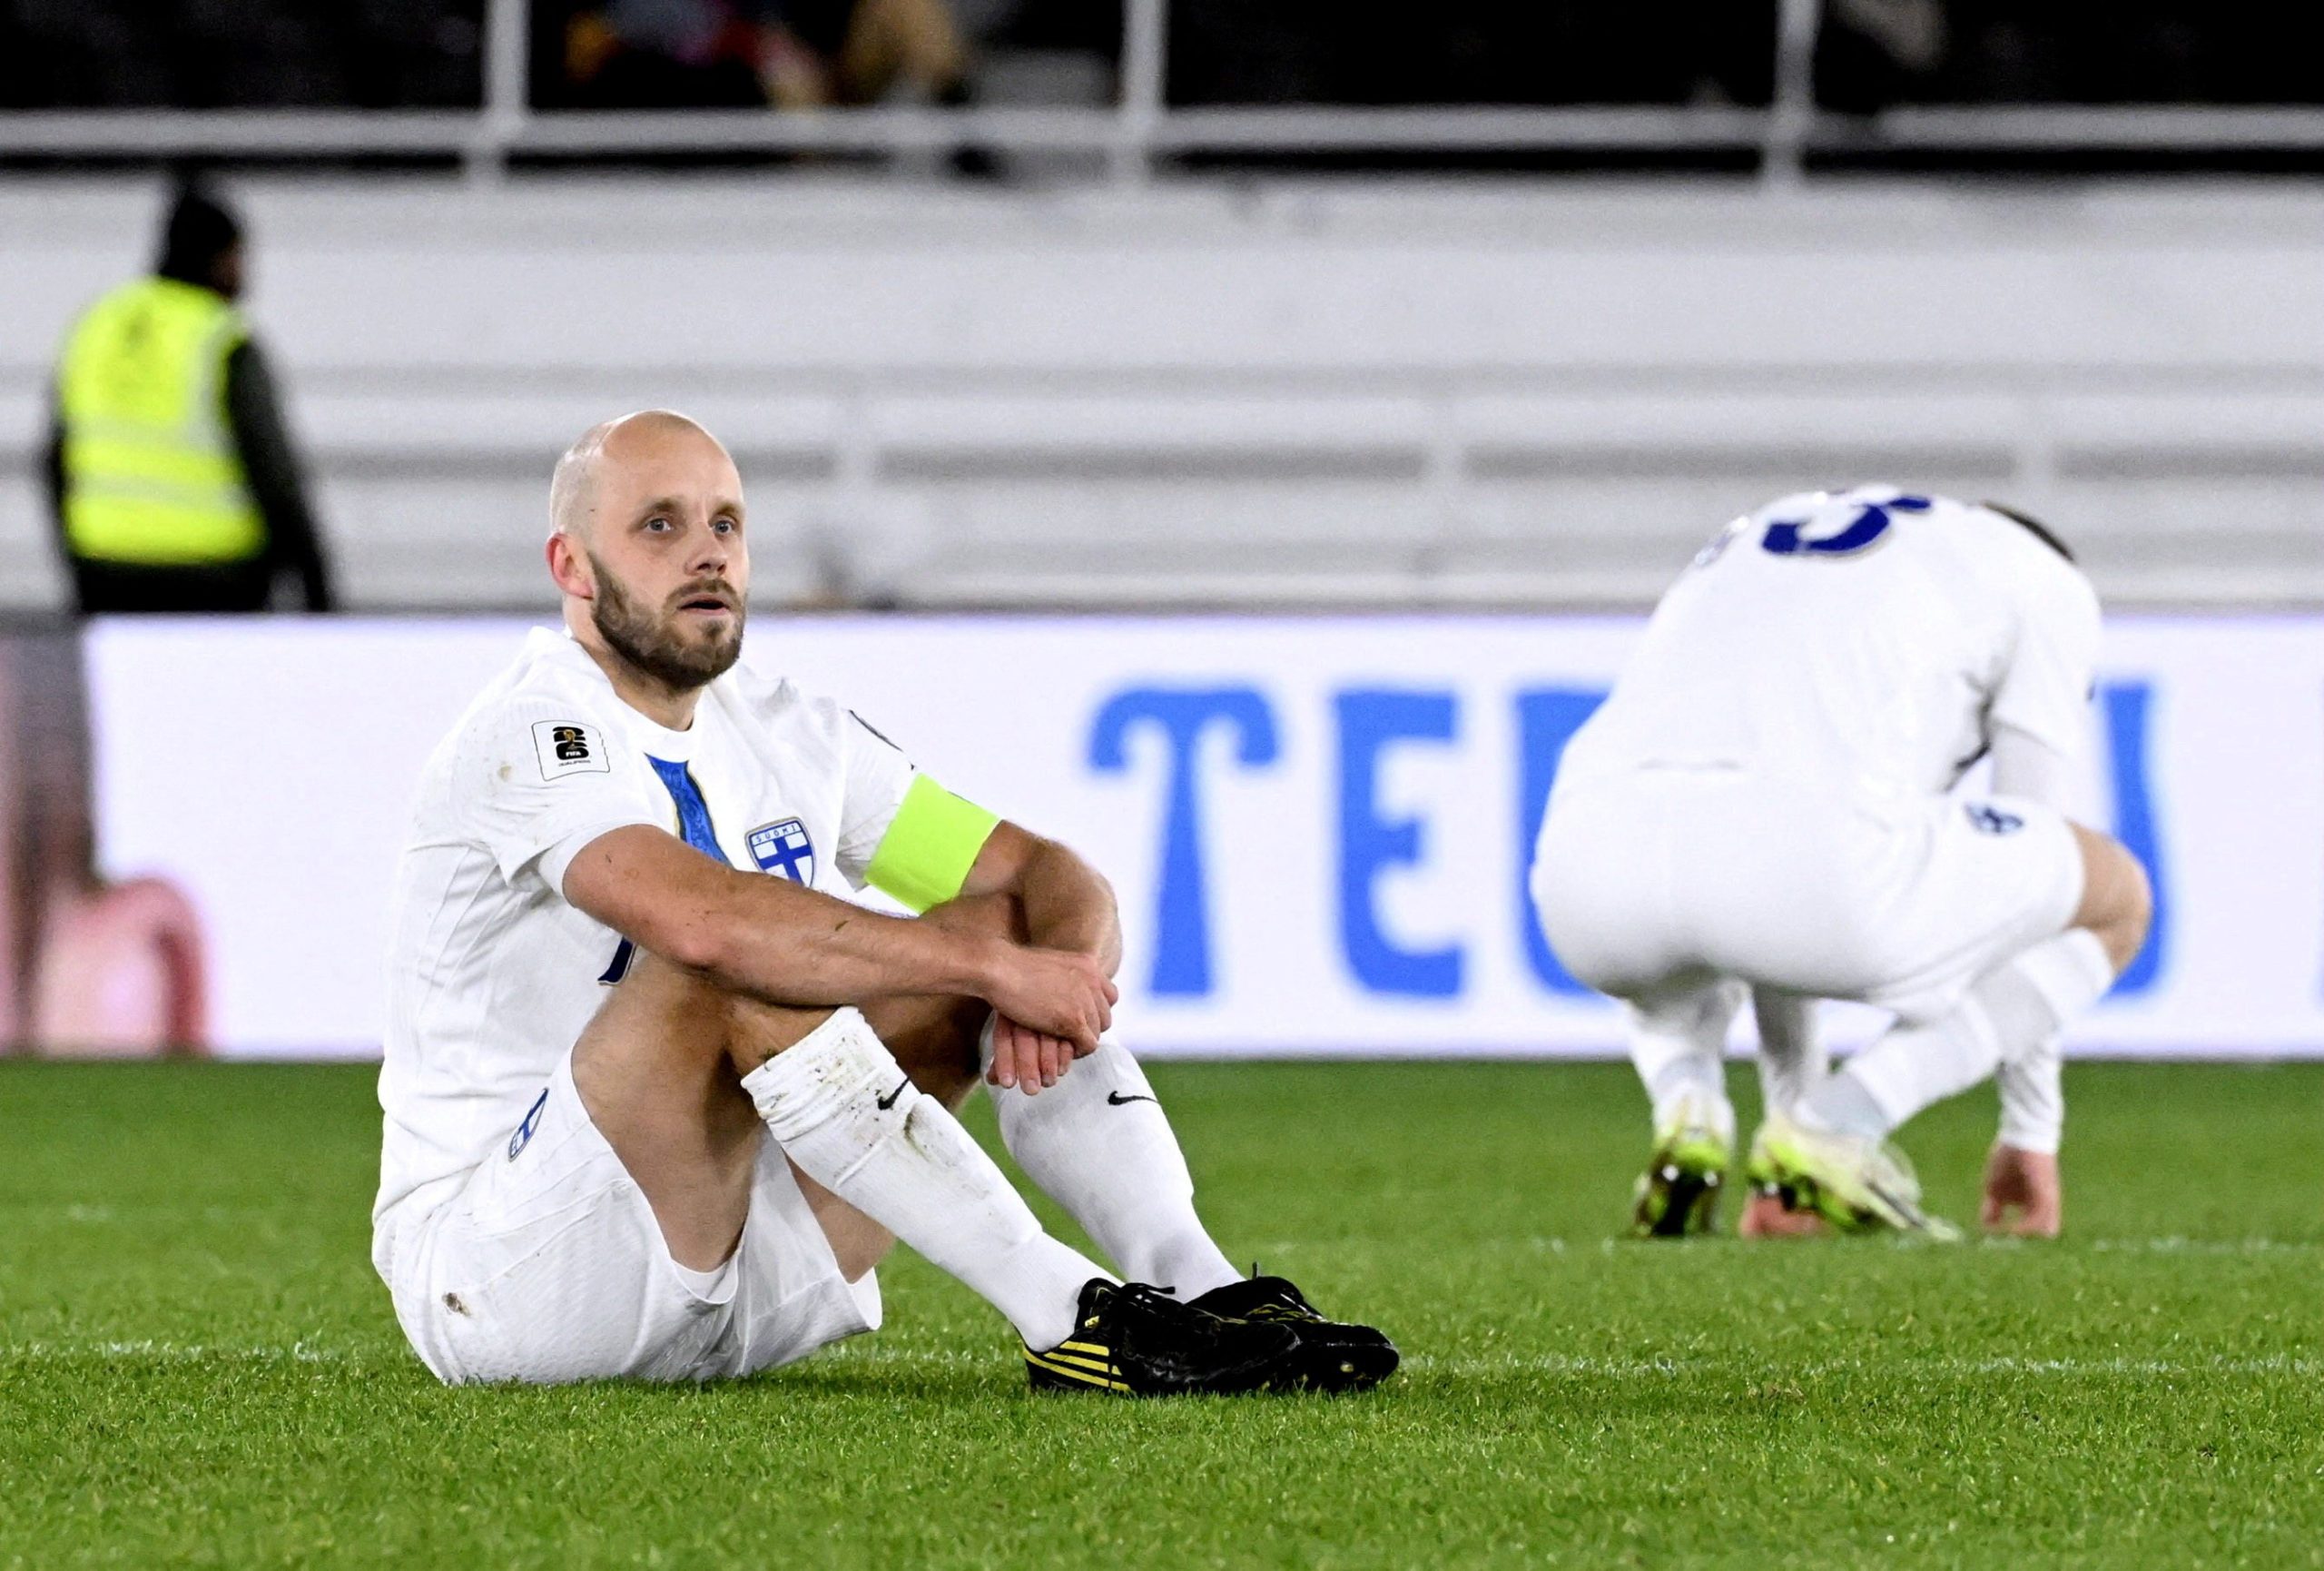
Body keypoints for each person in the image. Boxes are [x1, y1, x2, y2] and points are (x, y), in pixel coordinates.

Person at [371, 410, 1396, 1392]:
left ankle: (1197, 1279)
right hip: (507, 1278)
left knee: (988, 923)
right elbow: (704, 924)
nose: (707, 553)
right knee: (749, 951)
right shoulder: (532, 726)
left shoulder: (786, 727)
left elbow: (1040, 872)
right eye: (659, 525)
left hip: (745, 1267)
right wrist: (993, 972)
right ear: (570, 567)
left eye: (726, 522)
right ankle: (1069, 1315)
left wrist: (1055, 978)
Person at [1530, 487, 2152, 1241]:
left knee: (1712, 905)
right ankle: (1843, 1125)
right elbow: (2035, 857)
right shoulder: (2046, 579)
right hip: (1801, 871)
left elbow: (1758, 888)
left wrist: (1785, 1119)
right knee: (2115, 896)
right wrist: (2030, 1127)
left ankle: (1688, 1101)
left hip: (1584, 872)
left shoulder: (1771, 525)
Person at [44, 180, 335, 615]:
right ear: (219, 258)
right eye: (239, 258)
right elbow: (275, 474)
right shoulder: (220, 337)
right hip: (216, 574)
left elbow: (54, 462)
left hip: (104, 570)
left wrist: (76, 561)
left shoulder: (97, 324)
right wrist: (318, 588)